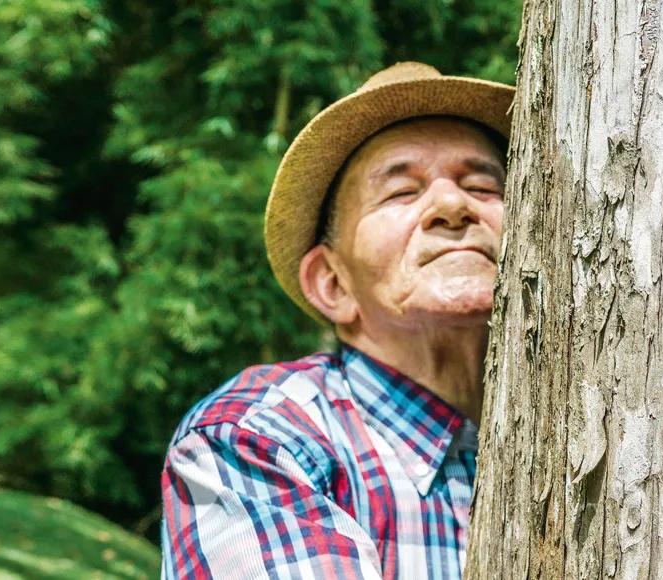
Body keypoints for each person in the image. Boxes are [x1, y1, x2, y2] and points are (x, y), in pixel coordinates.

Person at [161, 61, 514, 579]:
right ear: (333, 284)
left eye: (483, 185)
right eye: (402, 192)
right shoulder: (261, 437)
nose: (451, 205)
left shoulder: (590, 422)